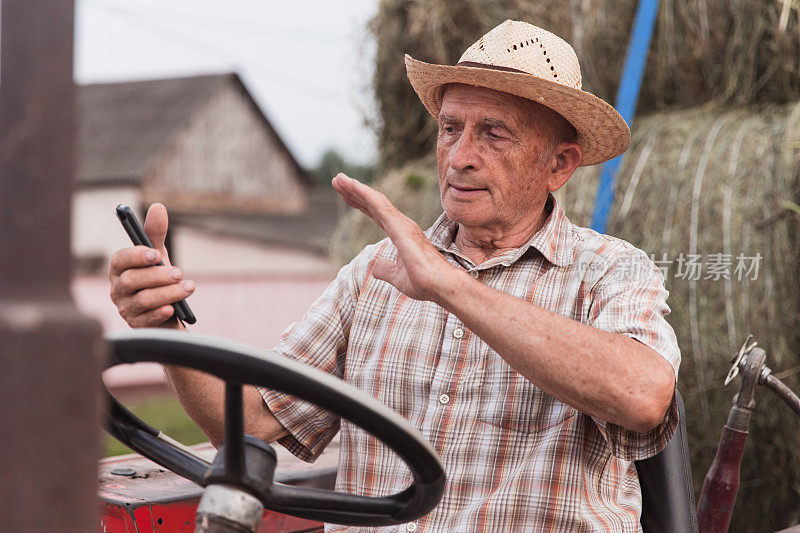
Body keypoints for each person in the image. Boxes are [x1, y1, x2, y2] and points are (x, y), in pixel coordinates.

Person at [109, 20, 680, 532]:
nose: (459, 157)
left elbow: (642, 396)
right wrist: (165, 325)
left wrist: (449, 285)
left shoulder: (609, 270)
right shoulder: (375, 273)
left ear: (559, 164)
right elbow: (252, 420)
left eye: (494, 133)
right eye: (451, 128)